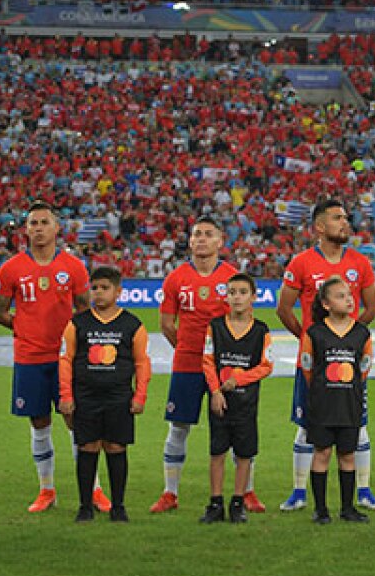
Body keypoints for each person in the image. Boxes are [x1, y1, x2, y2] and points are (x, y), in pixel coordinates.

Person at [276, 200, 375, 512]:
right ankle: (299, 492)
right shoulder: (301, 263)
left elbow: (373, 307)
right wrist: (311, 340)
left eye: (346, 217)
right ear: (320, 227)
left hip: (348, 366)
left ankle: (363, 490)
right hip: (312, 366)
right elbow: (283, 309)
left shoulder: (360, 263)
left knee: (357, 424)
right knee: (307, 425)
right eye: (337, 218)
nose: (345, 223)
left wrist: (349, 339)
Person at [0, 202, 97, 513]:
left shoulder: (74, 267)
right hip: (29, 358)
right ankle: (46, 489)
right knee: (39, 423)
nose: (38, 228)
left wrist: (73, 340)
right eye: (33, 223)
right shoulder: (10, 269)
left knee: (76, 421)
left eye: (44, 222)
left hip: (65, 358)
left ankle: (92, 490)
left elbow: (84, 311)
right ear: (26, 229)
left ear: (56, 228)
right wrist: (24, 327)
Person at [149, 218, 248, 514]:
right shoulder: (176, 278)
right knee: (178, 426)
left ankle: (247, 493)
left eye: (208, 234)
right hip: (187, 364)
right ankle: (170, 493)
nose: (201, 239)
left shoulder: (232, 278)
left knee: (236, 429)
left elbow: (242, 322)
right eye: (197, 235)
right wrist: (190, 350)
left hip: (226, 368)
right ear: (190, 242)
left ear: (220, 241)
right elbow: (167, 324)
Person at [58, 266, 150, 523]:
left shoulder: (133, 325)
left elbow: (142, 362)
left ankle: (118, 506)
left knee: (115, 447)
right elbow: (66, 360)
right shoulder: (78, 323)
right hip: (86, 396)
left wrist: (140, 396)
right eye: (94, 288)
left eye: (104, 288)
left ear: (118, 291)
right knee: (87, 447)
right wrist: (66, 395)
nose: (98, 293)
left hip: (119, 397)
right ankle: (85, 506)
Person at [199, 274, 274, 524]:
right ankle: (215, 503)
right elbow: (208, 361)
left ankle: (238, 502)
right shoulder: (216, 326)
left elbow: (266, 366)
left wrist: (237, 380)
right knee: (217, 452)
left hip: (246, 404)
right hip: (220, 402)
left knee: (244, 455)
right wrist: (216, 392)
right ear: (226, 296)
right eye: (232, 292)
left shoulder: (261, 331)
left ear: (254, 297)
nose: (237, 297)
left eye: (243, 292)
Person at [299, 277, 373, 524]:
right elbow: (308, 368)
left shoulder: (362, 332)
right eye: (341, 296)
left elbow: (364, 367)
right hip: (322, 404)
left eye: (350, 295)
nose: (349, 299)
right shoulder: (315, 333)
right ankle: (321, 509)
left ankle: (347, 508)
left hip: (349, 404)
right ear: (326, 304)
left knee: (347, 455)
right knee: (321, 453)